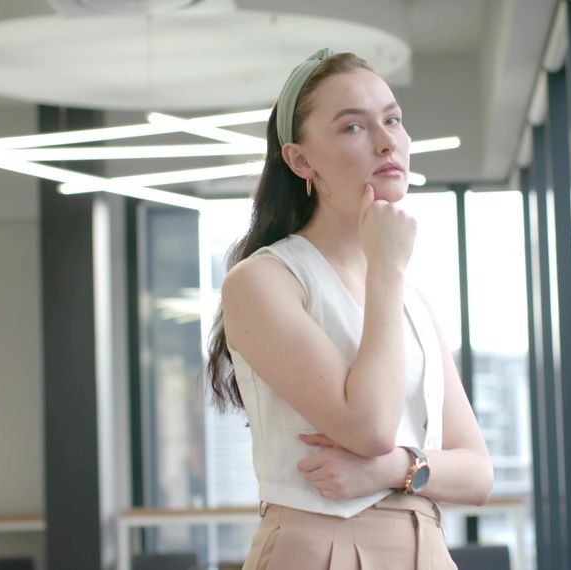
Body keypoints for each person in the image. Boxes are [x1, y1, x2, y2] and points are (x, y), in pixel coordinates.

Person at [207, 48, 493, 569]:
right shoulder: (263, 281)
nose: (388, 141)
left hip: (427, 549)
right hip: (319, 549)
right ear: (300, 160)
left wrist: (393, 470)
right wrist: (385, 267)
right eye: (352, 128)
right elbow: (368, 428)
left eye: (392, 119)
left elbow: (478, 474)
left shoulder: (411, 297)